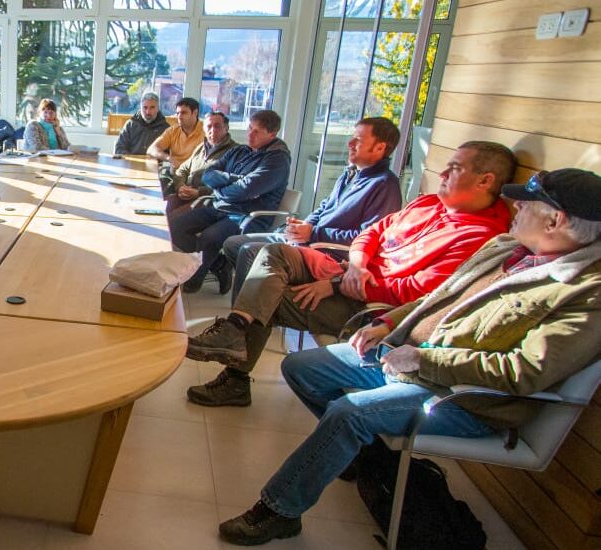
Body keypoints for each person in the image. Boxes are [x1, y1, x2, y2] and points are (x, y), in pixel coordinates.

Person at [218, 168, 601, 546]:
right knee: (300, 368)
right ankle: (358, 453)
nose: (516, 204)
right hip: (408, 358)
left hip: (467, 397)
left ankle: (280, 510)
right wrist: (386, 323)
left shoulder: (585, 295)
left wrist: (422, 360)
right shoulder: (505, 249)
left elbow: (524, 372)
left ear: (556, 220)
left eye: (528, 202)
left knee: (348, 413)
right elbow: (436, 298)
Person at [186, 141, 516, 408]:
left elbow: (421, 292)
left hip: (371, 309)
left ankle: (235, 378)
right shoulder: (429, 203)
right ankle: (236, 329)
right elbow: (370, 234)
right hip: (349, 272)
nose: (443, 172)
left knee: (268, 296)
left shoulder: (481, 237)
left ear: (485, 180)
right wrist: (356, 265)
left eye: (455, 168)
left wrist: (338, 284)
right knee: (270, 253)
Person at [220, 117, 404, 297]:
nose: (350, 143)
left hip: (327, 253)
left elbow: (368, 238)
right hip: (308, 240)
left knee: (248, 252)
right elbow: (324, 207)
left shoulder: (385, 185)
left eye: (359, 140)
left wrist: (314, 233)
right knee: (232, 244)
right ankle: (266, 298)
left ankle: (244, 320)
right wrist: (303, 226)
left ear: (380, 147)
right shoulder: (351, 174)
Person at [168, 110, 291, 293]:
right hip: (221, 206)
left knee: (210, 237)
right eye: (250, 128)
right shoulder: (240, 150)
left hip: (247, 215)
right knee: (173, 225)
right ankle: (219, 265)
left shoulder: (277, 160)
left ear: (272, 134)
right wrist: (235, 179)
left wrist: (224, 187)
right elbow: (208, 174)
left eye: (257, 131)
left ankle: (194, 282)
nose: (250, 134)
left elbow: (246, 189)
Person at [165, 111, 238, 214]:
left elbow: (233, 185)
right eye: (209, 126)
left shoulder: (235, 152)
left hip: (208, 201)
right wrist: (180, 187)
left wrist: (199, 192)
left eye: (217, 126)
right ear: (204, 129)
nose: (213, 130)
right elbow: (183, 169)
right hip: (187, 195)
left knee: (171, 220)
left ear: (226, 128)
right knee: (160, 207)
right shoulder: (201, 147)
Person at [147, 97, 206, 174]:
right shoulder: (173, 131)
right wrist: (170, 158)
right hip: (175, 175)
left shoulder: (206, 131)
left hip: (197, 176)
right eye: (178, 113)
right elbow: (151, 150)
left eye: (184, 113)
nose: (179, 117)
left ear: (195, 113)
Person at [113, 92, 170, 156]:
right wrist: (132, 160)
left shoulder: (166, 129)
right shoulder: (130, 125)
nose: (148, 112)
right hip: (131, 163)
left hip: (155, 164)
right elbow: (119, 148)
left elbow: (170, 153)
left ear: (158, 108)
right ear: (140, 108)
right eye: (145, 107)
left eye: (152, 107)